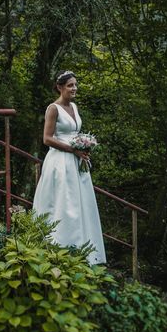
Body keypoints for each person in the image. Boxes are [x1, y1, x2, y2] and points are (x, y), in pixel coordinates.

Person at [32, 70, 106, 265]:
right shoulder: (53, 109)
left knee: (80, 203)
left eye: (75, 85)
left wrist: (84, 145)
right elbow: (47, 139)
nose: (74, 88)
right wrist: (72, 149)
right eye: (70, 85)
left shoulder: (74, 106)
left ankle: (81, 247)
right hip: (60, 162)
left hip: (77, 161)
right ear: (60, 87)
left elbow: (75, 132)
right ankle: (58, 245)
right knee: (64, 203)